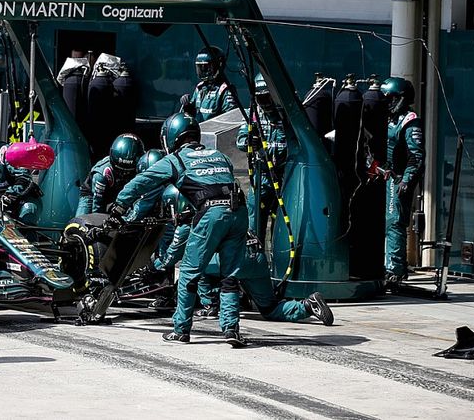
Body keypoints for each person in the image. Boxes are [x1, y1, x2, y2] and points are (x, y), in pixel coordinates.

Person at [113, 112, 248, 347]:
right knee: (230, 276)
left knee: (189, 273)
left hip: (211, 212)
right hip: (239, 212)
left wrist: (120, 204)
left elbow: (144, 180)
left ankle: (181, 329)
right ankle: (231, 329)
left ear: (171, 137)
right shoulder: (220, 155)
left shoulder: (176, 159)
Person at [204, 234, 334, 328]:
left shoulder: (209, 213)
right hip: (257, 256)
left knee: (198, 268)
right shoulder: (238, 212)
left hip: (233, 258)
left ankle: (210, 305)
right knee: (270, 308)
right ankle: (308, 305)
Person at [375, 77, 424, 287]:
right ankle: (384, 265)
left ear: (401, 99)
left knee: (394, 221)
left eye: (391, 99)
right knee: (381, 222)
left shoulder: (410, 121)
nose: (388, 103)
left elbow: (417, 155)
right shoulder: (387, 118)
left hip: (398, 178)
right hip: (383, 175)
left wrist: (406, 180)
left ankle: (394, 270)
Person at [235, 72, 287, 242]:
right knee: (255, 225)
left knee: (281, 225)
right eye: (261, 98)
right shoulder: (253, 114)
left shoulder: (287, 115)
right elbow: (240, 140)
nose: (265, 103)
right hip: (261, 177)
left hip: (284, 176)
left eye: (268, 98)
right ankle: (256, 255)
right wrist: (250, 141)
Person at [76, 133, 145, 216]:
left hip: (118, 191)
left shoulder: (142, 167)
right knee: (81, 220)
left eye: (128, 171)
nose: (124, 174)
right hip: (93, 194)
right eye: (120, 170)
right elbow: (97, 205)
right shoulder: (101, 174)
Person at [181, 46, 237, 123]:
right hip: (198, 129)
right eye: (200, 67)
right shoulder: (200, 87)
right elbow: (192, 116)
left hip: (214, 130)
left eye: (206, 67)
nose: (203, 71)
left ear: (218, 66)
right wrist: (187, 106)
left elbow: (230, 119)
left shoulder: (225, 89)